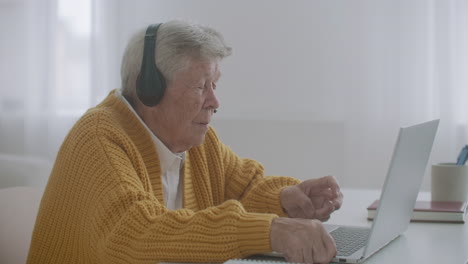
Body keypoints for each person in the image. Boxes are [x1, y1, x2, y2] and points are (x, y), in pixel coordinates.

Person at [27, 20, 343, 264]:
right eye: (201, 86)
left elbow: (244, 188)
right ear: (148, 88)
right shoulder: (99, 136)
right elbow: (137, 230)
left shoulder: (197, 141)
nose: (214, 101)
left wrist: (286, 198)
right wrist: (269, 231)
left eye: (215, 85)